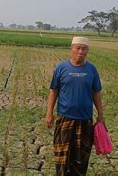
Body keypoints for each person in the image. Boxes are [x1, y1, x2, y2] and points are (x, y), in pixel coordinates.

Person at [45, 36, 104, 175]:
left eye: (84, 49)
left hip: (85, 120)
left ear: (87, 51)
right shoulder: (61, 68)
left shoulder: (92, 69)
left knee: (81, 157)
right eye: (77, 48)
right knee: (62, 155)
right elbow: (54, 91)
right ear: (71, 49)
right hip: (65, 118)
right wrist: (49, 114)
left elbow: (96, 93)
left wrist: (100, 116)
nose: (80, 52)